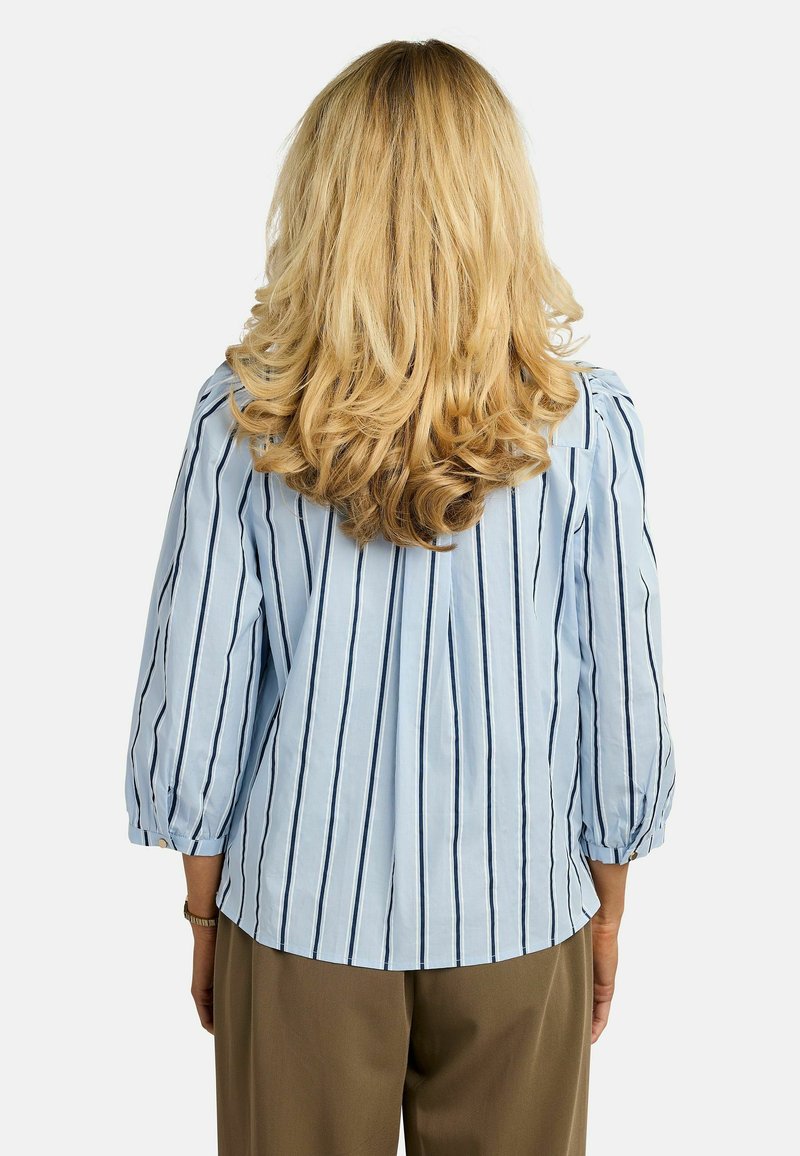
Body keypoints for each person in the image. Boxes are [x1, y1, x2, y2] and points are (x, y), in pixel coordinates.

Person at [124, 38, 676, 1156]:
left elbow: (196, 695)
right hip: (521, 911)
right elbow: (622, 695)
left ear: (322, 202)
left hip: (295, 913)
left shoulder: (244, 419)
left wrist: (202, 910)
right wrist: (608, 903)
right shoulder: (584, 428)